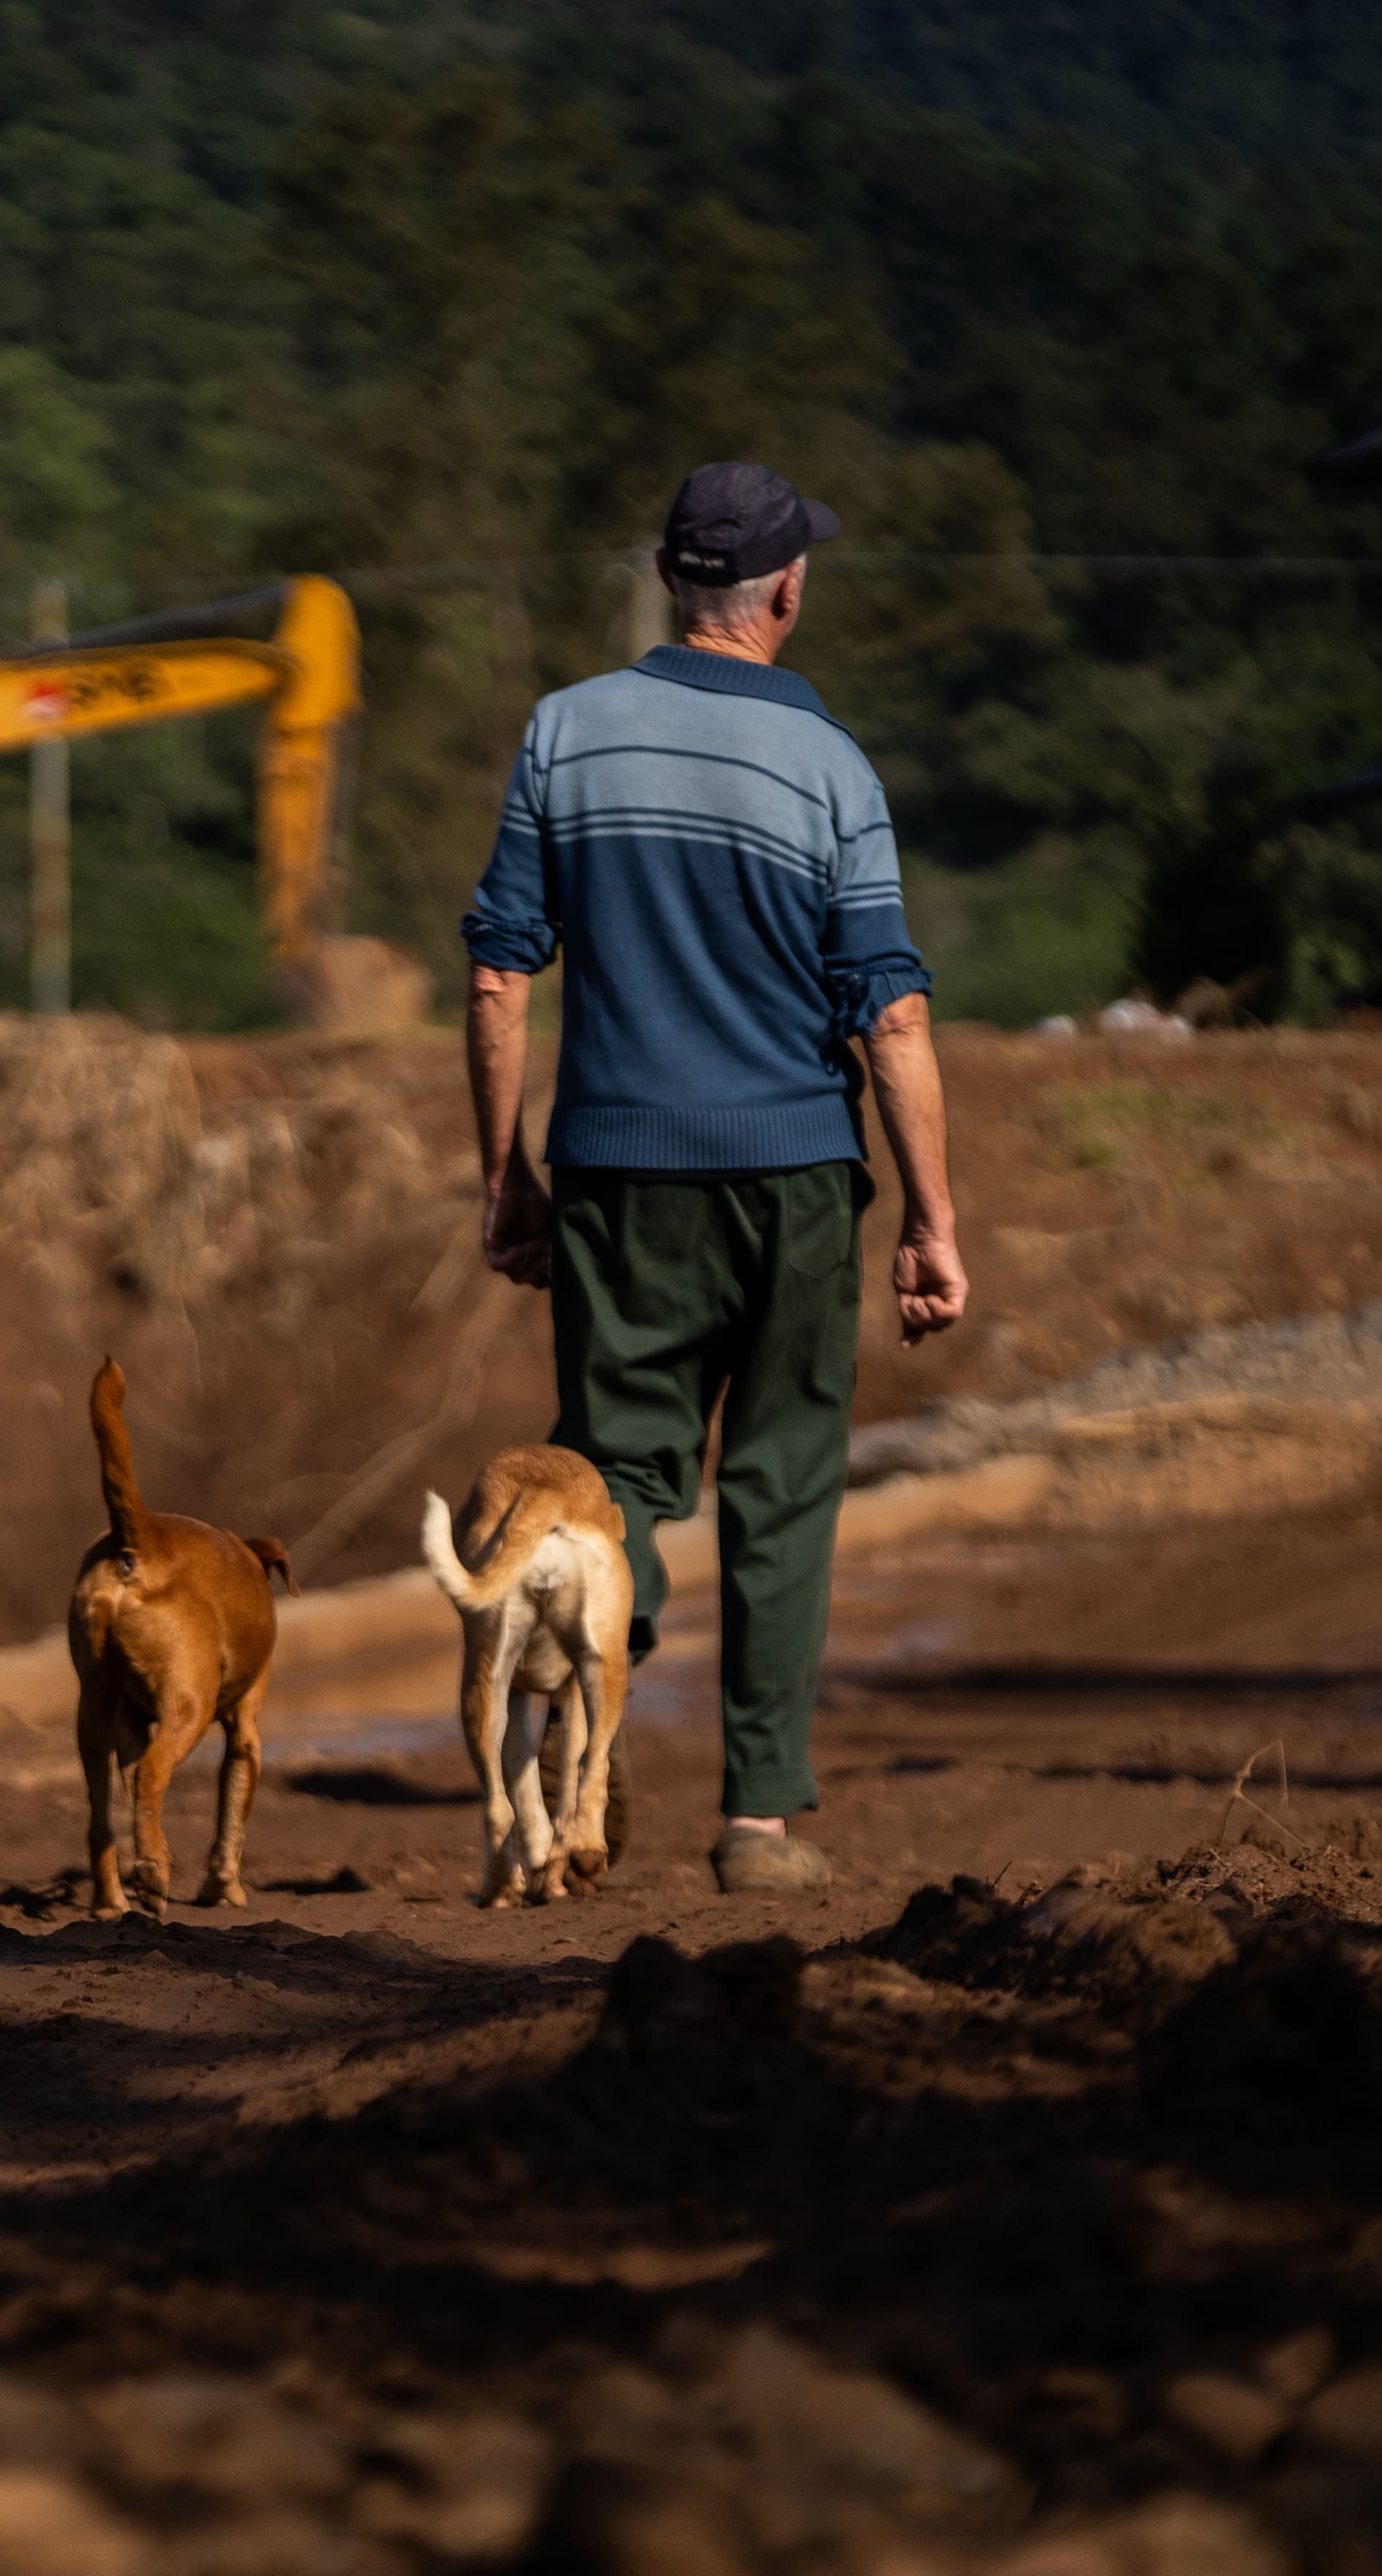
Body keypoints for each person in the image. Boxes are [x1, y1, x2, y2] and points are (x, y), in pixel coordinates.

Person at [458, 460, 968, 1895]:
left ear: (678, 583)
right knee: (781, 1488)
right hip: (795, 1173)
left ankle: (579, 1762)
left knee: (614, 1480)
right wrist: (928, 1218)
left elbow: (501, 975)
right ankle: (756, 1821)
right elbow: (893, 1014)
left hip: (613, 1169)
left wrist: (502, 1180)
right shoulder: (833, 769)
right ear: (785, 591)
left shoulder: (563, 731)